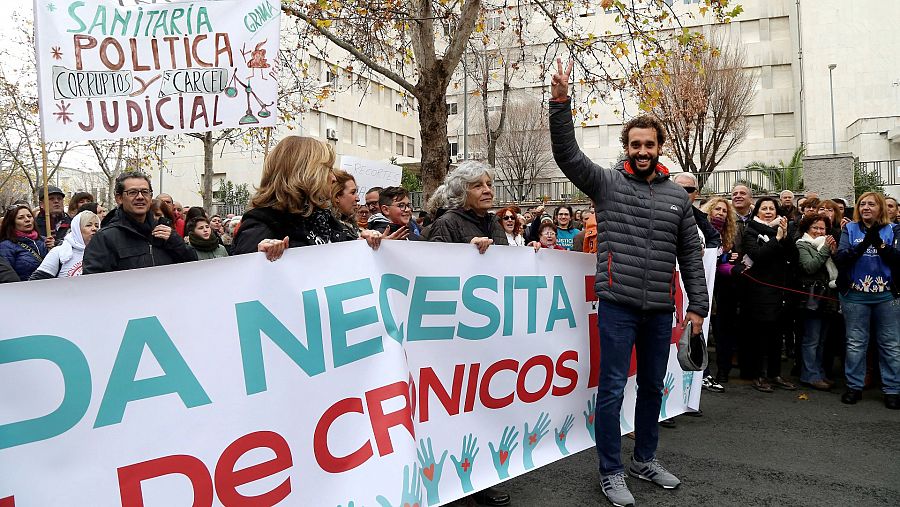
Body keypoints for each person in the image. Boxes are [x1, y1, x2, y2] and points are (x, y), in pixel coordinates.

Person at [550, 59, 708, 507]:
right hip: (617, 306)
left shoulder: (678, 196)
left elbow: (691, 255)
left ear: (660, 147)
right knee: (614, 389)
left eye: (649, 144)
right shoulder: (605, 183)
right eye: (635, 144)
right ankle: (610, 471)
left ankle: (644, 459)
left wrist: (698, 306)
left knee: (653, 388)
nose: (642, 150)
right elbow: (567, 154)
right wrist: (560, 103)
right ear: (626, 147)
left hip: (660, 309)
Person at [428, 160, 510, 507]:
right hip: (455, 338)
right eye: (479, 185)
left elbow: (508, 268)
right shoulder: (446, 224)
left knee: (485, 407)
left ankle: (480, 478)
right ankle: (451, 479)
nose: (488, 190)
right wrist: (466, 255)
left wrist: (531, 257)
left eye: (489, 183)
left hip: (488, 336)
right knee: (457, 410)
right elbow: (430, 273)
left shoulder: (493, 221)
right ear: (463, 191)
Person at [232, 136, 386, 259]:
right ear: (305, 173)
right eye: (328, 170)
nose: (333, 178)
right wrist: (257, 258)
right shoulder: (262, 226)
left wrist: (364, 245)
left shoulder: (324, 220)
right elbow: (242, 285)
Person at [835, 192, 900, 409]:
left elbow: (897, 259)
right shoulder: (849, 229)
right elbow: (842, 258)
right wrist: (863, 245)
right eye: (862, 204)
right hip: (855, 295)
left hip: (887, 295)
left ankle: (893, 390)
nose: (866, 208)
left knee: (890, 344)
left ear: (880, 208)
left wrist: (880, 244)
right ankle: (854, 387)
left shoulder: (893, 229)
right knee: (855, 343)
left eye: (871, 204)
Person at [83, 172, 198, 273]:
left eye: (145, 192)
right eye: (132, 192)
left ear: (151, 196)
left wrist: (176, 242)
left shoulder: (165, 233)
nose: (140, 197)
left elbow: (193, 267)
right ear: (119, 198)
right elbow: (94, 285)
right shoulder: (105, 238)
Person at [739, 197, 796, 392]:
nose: (769, 211)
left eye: (772, 208)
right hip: (760, 291)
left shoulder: (782, 230)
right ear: (757, 212)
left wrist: (786, 237)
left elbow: (793, 257)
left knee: (777, 334)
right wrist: (777, 239)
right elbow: (759, 256)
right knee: (760, 335)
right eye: (764, 208)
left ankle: (775, 374)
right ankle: (759, 375)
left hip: (781, 290)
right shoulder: (751, 231)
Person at [795, 215, 839, 390]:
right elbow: (809, 266)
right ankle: (809, 375)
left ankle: (819, 373)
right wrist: (826, 249)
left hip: (828, 297)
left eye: (822, 229)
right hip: (812, 298)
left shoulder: (826, 246)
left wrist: (834, 252)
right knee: (811, 339)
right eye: (815, 228)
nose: (819, 232)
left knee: (821, 340)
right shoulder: (801, 245)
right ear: (807, 229)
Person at [701, 197, 738, 388]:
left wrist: (730, 263)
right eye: (717, 209)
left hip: (722, 291)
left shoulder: (729, 235)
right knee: (701, 332)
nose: (721, 213)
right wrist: (721, 259)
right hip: (702, 287)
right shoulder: (700, 230)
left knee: (722, 332)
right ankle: (702, 373)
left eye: (724, 211)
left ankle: (723, 371)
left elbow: (725, 264)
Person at [29, 211, 99, 279]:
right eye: (88, 225)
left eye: (97, 226)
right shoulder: (59, 252)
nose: (94, 229)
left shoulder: (103, 252)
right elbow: (37, 282)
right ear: (77, 229)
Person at [0, 204, 54, 280]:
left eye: (29, 216)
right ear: (12, 222)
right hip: (24, 289)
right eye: (20, 218)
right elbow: (7, 276)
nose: (27, 220)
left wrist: (54, 248)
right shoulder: (5, 247)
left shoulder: (45, 240)